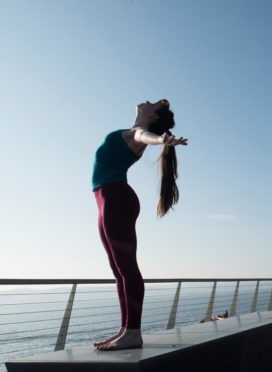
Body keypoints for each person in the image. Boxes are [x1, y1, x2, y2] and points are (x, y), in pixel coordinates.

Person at [91, 99, 188, 351]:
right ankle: (125, 329)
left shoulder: (138, 133)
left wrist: (162, 141)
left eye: (154, 104)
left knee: (127, 267)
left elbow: (146, 136)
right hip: (106, 200)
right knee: (117, 269)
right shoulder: (129, 131)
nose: (148, 101)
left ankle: (133, 332)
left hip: (116, 200)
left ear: (153, 117)